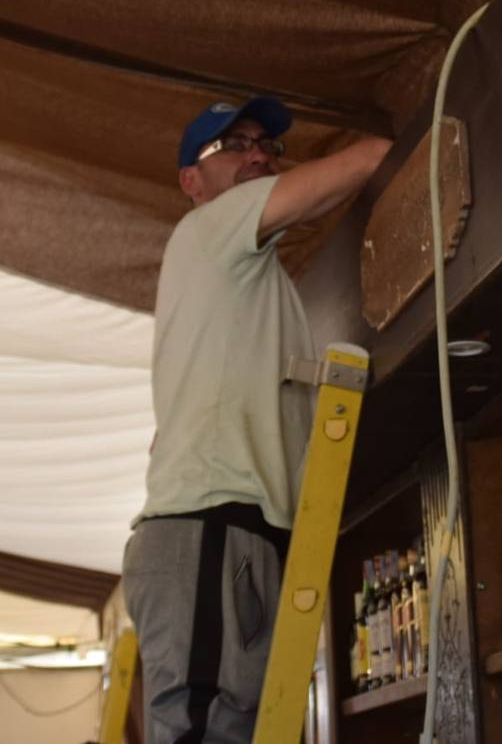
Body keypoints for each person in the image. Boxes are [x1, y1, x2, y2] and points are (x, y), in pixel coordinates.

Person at [122, 95, 391, 743]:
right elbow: (369, 159)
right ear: (192, 180)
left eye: (268, 147)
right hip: (214, 530)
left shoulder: (248, 286)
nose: (259, 156)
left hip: (224, 535)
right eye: (234, 145)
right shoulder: (210, 229)